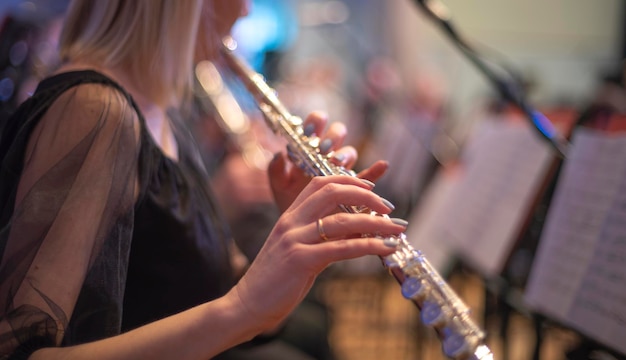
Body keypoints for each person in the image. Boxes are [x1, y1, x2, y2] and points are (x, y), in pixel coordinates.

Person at [0, 1, 408, 359]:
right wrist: (241, 308)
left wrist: (303, 235)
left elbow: (221, 296)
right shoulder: (92, 109)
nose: (247, 9)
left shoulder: (165, 108)